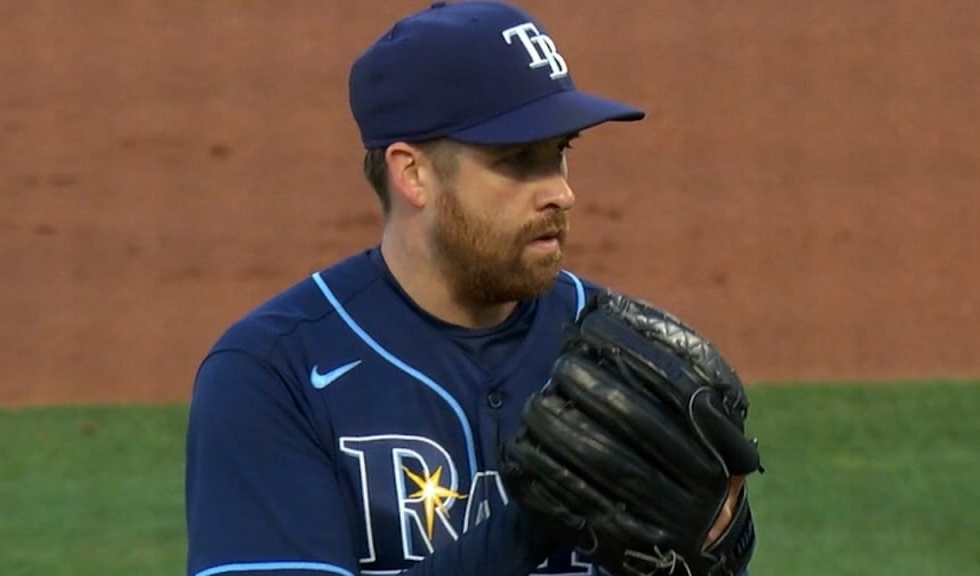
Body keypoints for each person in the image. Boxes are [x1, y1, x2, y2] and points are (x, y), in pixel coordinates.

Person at [185, 2, 750, 576]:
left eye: (560, 153)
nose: (560, 192)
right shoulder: (273, 372)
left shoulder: (626, 360)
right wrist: (532, 523)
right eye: (517, 160)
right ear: (413, 174)